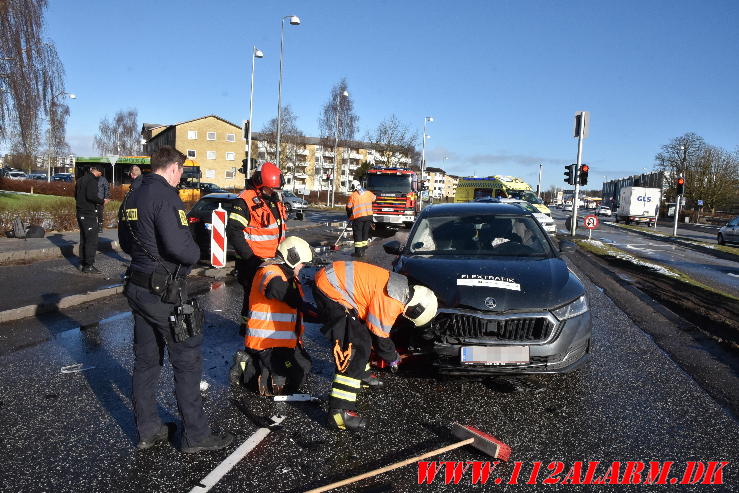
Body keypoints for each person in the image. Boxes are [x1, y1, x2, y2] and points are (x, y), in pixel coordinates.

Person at [118, 146, 232, 453]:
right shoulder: (166, 197)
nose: (181, 176)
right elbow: (181, 248)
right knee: (187, 361)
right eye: (181, 171)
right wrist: (196, 254)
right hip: (164, 293)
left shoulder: (133, 195)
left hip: (138, 287)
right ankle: (196, 436)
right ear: (173, 168)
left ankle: (148, 430)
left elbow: (126, 242)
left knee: (146, 363)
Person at [313, 261, 438, 431]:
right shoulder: (392, 302)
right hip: (330, 289)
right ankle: (339, 414)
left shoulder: (400, 288)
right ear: (415, 310)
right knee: (353, 349)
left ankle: (362, 375)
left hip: (332, 279)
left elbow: (371, 327)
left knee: (362, 337)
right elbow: (380, 338)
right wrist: (393, 358)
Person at [229, 236, 313, 396]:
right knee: (282, 384)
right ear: (293, 258)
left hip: (284, 343)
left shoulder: (289, 275)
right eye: (302, 263)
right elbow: (274, 287)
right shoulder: (268, 270)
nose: (303, 267)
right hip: (265, 342)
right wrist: (299, 302)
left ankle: (257, 364)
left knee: (305, 367)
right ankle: (247, 365)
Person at [226, 162, 288, 336]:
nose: (273, 192)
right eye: (269, 189)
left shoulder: (273, 199)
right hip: (252, 261)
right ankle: (247, 329)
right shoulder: (244, 200)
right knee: (252, 298)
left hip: (273, 260)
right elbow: (233, 231)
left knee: (268, 297)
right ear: (260, 184)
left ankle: (263, 328)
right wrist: (250, 258)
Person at [75, 164, 105, 273]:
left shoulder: (80, 180)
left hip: (80, 212)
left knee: (83, 239)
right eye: (100, 174)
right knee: (91, 240)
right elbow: (91, 196)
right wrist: (102, 201)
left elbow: (76, 196)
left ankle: (82, 263)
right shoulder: (92, 181)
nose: (100, 176)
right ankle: (89, 265)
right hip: (88, 213)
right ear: (98, 172)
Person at [346, 180, 375, 257]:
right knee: (365, 233)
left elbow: (348, 207)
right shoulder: (368, 193)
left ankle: (358, 253)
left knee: (358, 234)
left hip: (358, 218)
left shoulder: (353, 196)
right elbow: (374, 199)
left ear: (353, 186)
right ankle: (363, 249)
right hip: (369, 217)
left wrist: (349, 216)